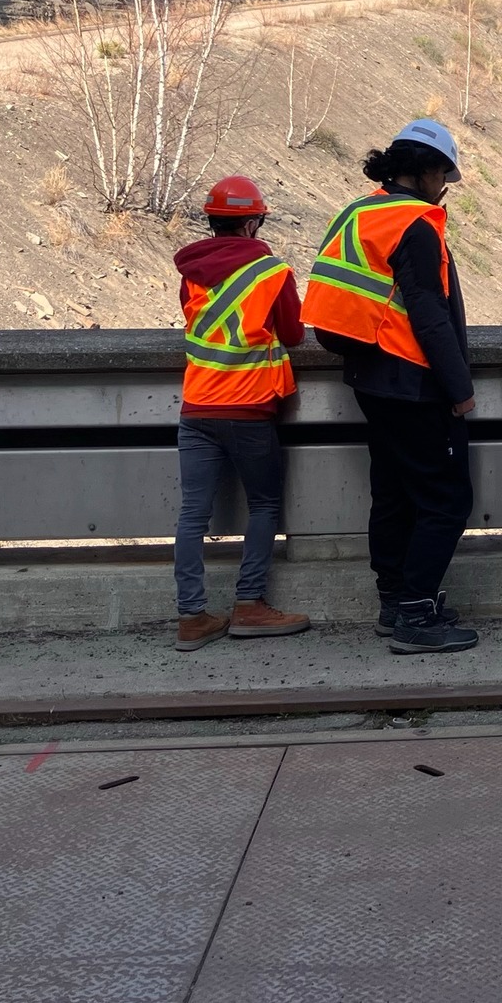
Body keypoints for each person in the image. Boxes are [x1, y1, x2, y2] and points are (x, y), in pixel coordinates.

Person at [302, 120, 477, 654]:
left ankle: (394, 599)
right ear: (426, 171)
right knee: (447, 500)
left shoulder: (358, 213)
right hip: (413, 379)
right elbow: (428, 315)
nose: (444, 186)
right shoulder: (416, 225)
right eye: (443, 175)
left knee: (395, 494)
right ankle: (417, 615)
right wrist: (460, 388)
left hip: (369, 374)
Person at [171, 175, 311, 651]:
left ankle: (192, 617)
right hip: (250, 408)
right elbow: (293, 335)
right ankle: (249, 605)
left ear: (212, 222)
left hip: (196, 407)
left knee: (192, 515)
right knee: (265, 504)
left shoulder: (192, 272)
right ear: (252, 223)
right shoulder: (272, 272)